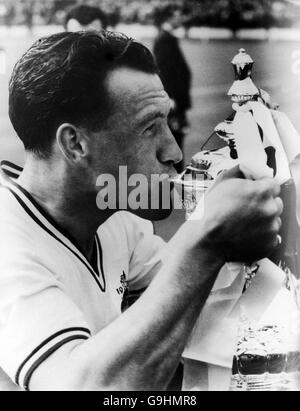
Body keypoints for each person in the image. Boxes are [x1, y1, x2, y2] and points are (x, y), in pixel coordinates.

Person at [0, 31, 282, 391]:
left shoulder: (114, 213)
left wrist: (245, 228)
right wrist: (207, 236)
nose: (174, 152)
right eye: (150, 127)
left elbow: (184, 300)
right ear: (74, 144)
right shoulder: (7, 245)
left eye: (167, 121)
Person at [153, 6, 192, 173]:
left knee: (177, 140)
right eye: (176, 15)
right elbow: (164, 70)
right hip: (174, 101)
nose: (180, 19)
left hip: (176, 100)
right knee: (175, 143)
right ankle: (174, 188)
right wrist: (171, 98)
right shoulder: (164, 39)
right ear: (167, 18)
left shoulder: (167, 38)